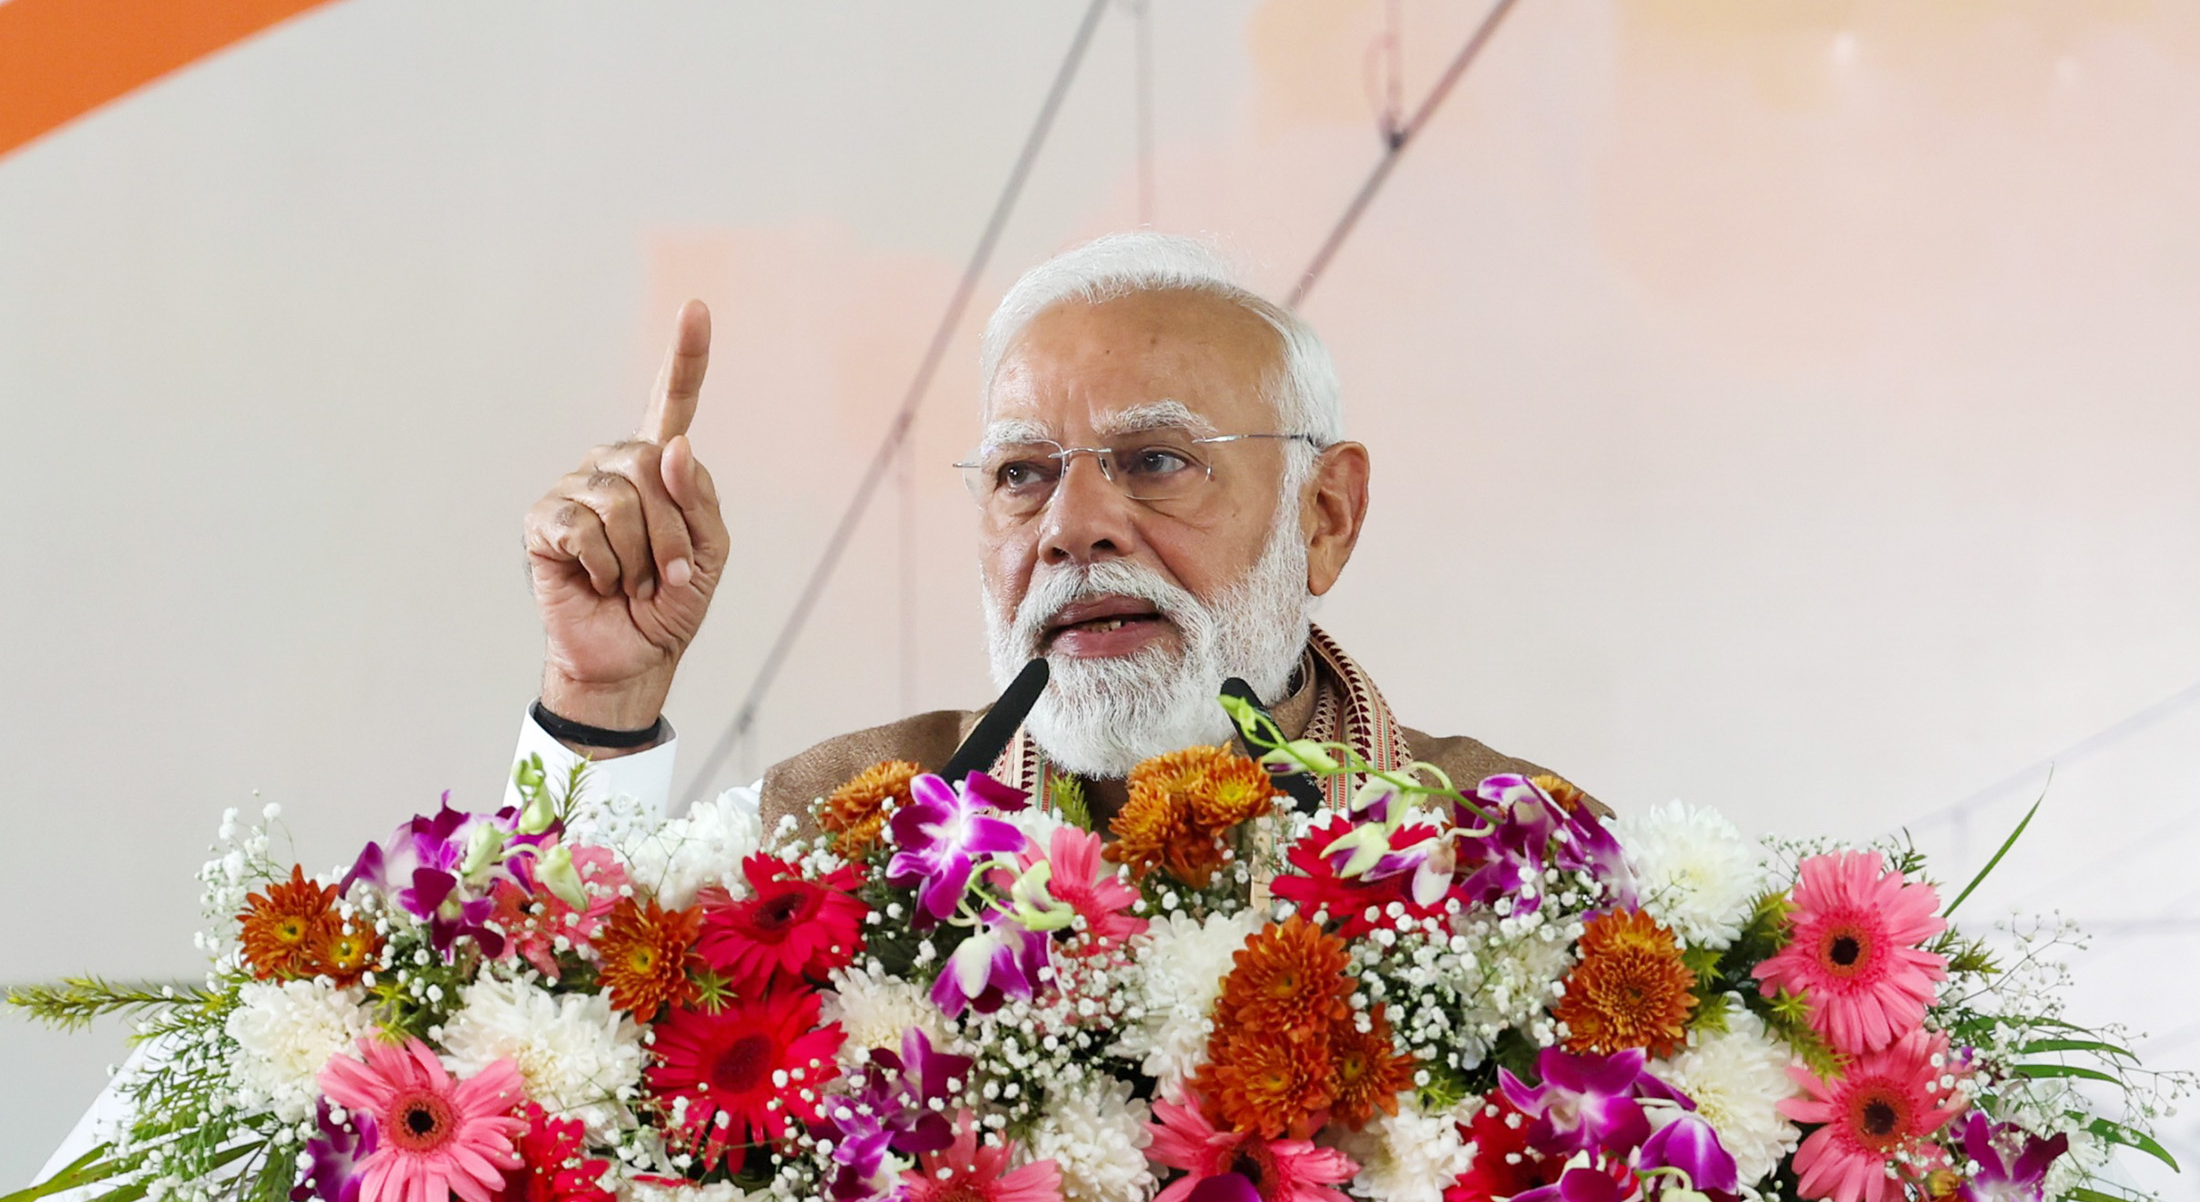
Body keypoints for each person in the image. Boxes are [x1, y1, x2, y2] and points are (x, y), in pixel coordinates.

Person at [516, 231, 1585, 835]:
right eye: (1022, 474)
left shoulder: (1525, 855)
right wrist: (600, 701)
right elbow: (534, 1067)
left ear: (1326, 515)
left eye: (1155, 460)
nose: (1073, 529)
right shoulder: (844, 826)